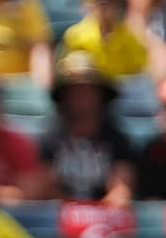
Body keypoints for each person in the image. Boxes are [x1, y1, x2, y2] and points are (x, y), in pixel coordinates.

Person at [39, 51, 136, 204]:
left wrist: (96, 214)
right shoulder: (50, 139)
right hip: (59, 215)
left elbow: (121, 190)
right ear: (65, 98)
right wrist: (73, 212)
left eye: (88, 90)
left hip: (106, 218)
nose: (82, 97)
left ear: (100, 96)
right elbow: (46, 188)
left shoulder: (117, 140)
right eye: (75, 91)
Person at [63, 0, 148, 78]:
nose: (105, 8)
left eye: (110, 3)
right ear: (88, 6)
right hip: (90, 89)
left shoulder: (130, 36)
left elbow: (139, 69)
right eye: (100, 2)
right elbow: (67, 70)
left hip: (122, 90)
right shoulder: (75, 35)